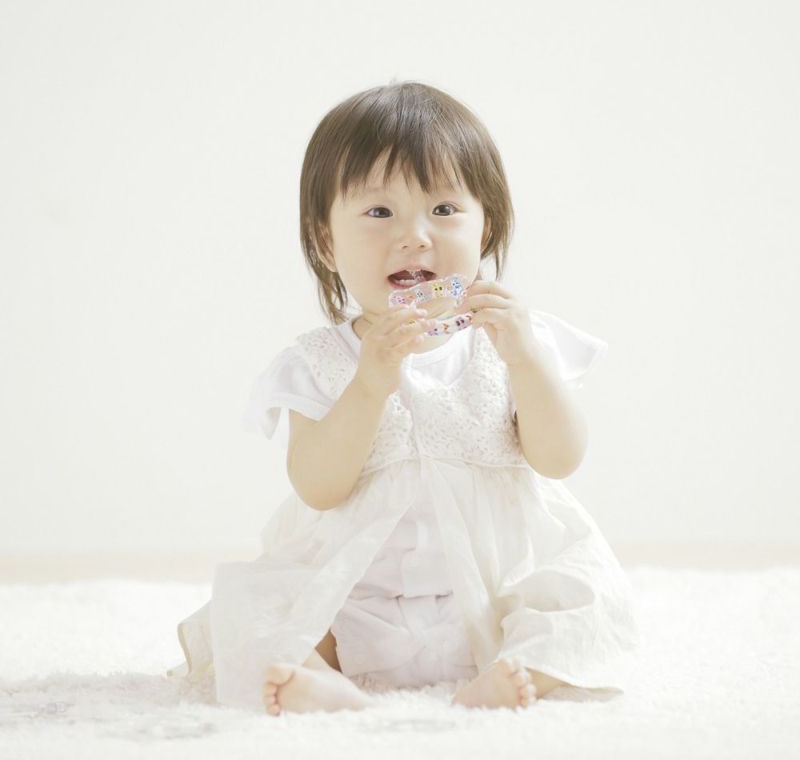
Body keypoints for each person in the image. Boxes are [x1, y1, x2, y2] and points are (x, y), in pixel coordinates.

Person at [167, 80, 639, 716]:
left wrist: (526, 360)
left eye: (443, 209)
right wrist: (369, 384)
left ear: (486, 227)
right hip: (355, 603)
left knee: (587, 590)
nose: (415, 237)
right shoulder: (318, 362)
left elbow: (560, 458)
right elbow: (317, 487)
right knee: (249, 606)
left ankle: (514, 671)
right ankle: (324, 680)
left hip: (494, 596)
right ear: (326, 242)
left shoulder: (517, 340)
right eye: (379, 213)